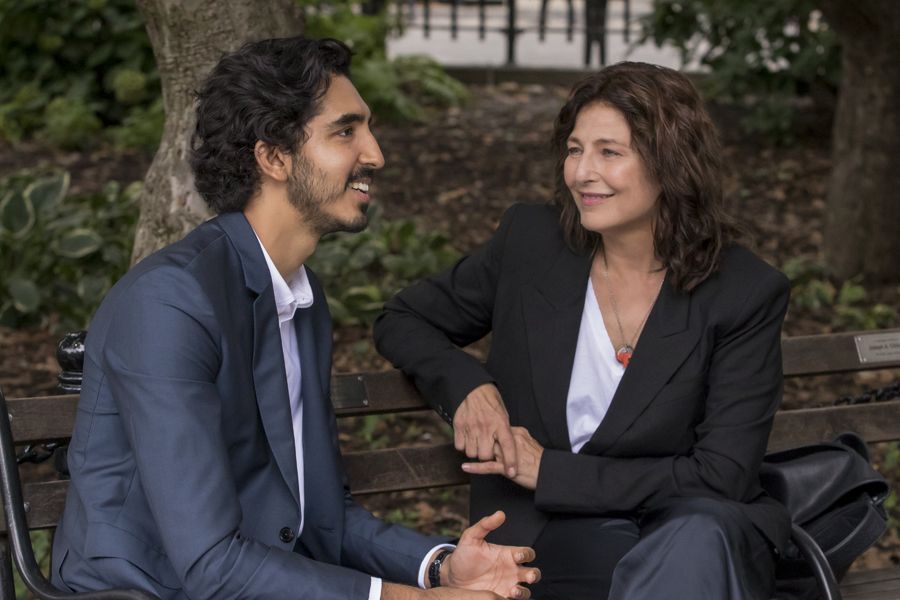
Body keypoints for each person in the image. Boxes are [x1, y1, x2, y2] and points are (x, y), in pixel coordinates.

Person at [50, 36, 540, 600]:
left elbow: (321, 516)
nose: (375, 153)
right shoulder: (171, 302)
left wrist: (439, 568)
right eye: (345, 131)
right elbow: (211, 565)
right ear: (274, 157)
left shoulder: (301, 298)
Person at [374, 62, 791, 600]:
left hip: (688, 525)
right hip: (553, 536)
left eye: (609, 153)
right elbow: (403, 319)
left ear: (671, 164)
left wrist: (550, 471)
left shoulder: (743, 291)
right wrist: (468, 388)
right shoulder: (531, 244)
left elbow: (721, 475)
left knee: (692, 544)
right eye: (575, 149)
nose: (581, 173)